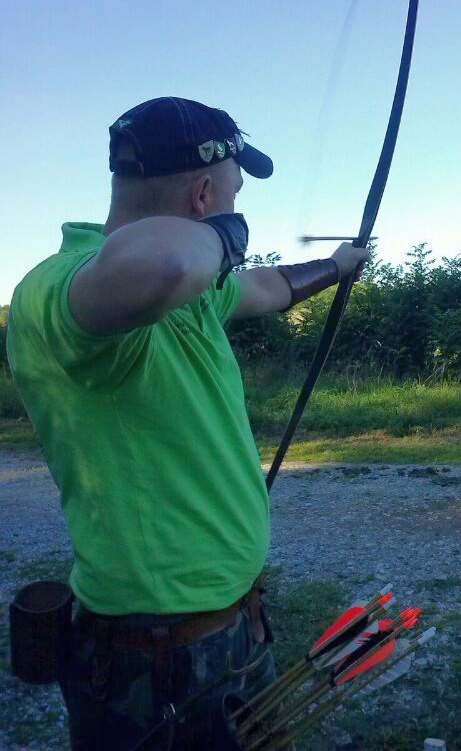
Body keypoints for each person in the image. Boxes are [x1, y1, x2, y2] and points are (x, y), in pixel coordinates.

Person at [7, 96, 370, 750]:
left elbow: (266, 287)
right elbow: (166, 264)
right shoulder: (57, 291)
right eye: (231, 192)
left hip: (229, 629)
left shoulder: (199, 290)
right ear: (205, 193)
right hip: (152, 659)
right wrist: (231, 234)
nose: (234, 207)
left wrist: (336, 267)